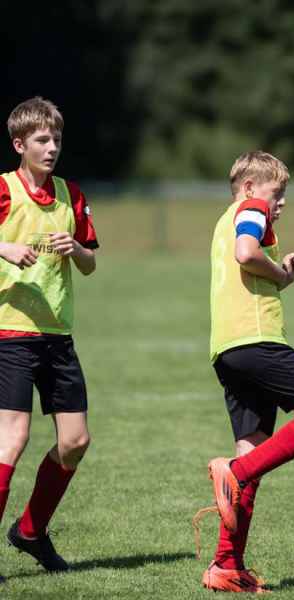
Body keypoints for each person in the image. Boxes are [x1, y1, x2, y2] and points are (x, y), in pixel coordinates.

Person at [199, 151, 294, 593]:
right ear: (249, 188)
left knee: (253, 454)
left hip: (227, 348)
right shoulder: (252, 208)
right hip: (257, 341)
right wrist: (281, 276)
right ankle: (234, 472)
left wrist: (283, 273)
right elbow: (246, 254)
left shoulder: (225, 219)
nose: (280, 202)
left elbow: (244, 256)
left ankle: (225, 565)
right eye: (275, 192)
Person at [0, 97, 99, 583]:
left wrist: (75, 248)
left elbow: (91, 264)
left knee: (75, 441)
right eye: (42, 139)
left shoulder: (69, 194)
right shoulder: (3, 189)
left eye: (56, 138)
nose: (52, 147)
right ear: (20, 145)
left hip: (58, 334)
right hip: (10, 333)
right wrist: (3, 246)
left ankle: (31, 531)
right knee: (12, 438)